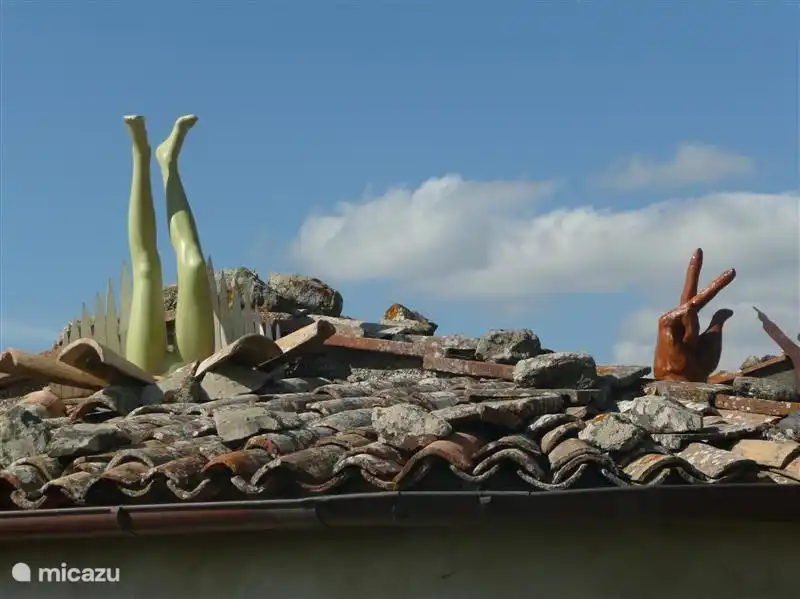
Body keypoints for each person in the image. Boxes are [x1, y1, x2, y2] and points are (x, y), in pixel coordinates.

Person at [122, 115, 214, 375]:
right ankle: (141, 153)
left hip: (178, 365)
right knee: (146, 268)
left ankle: (167, 162)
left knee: (194, 263)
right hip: (155, 368)